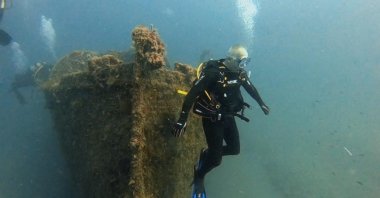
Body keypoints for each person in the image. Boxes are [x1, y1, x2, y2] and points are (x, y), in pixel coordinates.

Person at [172, 45, 270, 197]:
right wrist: (182, 120)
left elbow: (251, 88)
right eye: (242, 62)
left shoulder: (239, 74)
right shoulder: (214, 73)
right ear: (231, 60)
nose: (243, 67)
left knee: (234, 149)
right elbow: (192, 94)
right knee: (216, 161)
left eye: (246, 62)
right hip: (212, 119)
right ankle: (199, 175)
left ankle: (207, 154)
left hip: (228, 116)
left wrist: (261, 103)